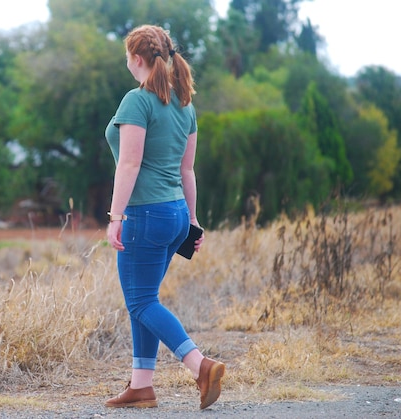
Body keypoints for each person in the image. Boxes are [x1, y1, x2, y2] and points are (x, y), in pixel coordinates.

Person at [104, 24, 225, 410]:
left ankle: (200, 365)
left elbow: (130, 163)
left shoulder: (136, 101)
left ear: (136, 59)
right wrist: (192, 219)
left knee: (140, 302)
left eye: (127, 56)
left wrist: (115, 216)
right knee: (146, 299)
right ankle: (142, 387)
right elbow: (187, 171)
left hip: (145, 216)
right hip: (173, 215)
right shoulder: (184, 103)